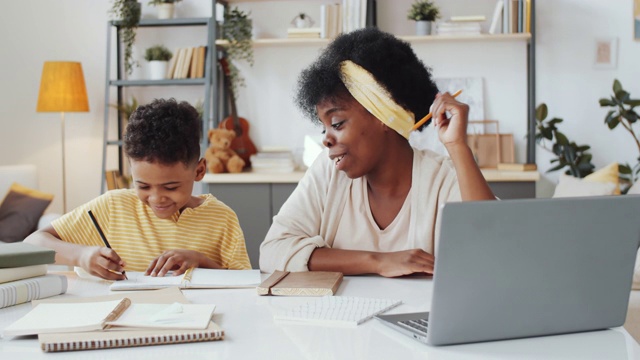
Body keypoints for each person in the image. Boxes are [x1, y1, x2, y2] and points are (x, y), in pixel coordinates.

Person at [259, 27, 495, 277]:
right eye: (324, 128)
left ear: (384, 116)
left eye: (337, 123)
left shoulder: (443, 179)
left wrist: (457, 146)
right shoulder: (328, 173)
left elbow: (493, 253)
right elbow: (272, 251)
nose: (327, 140)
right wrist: (378, 261)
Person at [25, 98, 251, 280]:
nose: (156, 198)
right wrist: (82, 256)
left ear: (199, 171)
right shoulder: (113, 206)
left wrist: (201, 261)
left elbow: (245, 285)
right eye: (143, 185)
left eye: (170, 187)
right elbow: (32, 243)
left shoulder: (221, 218)